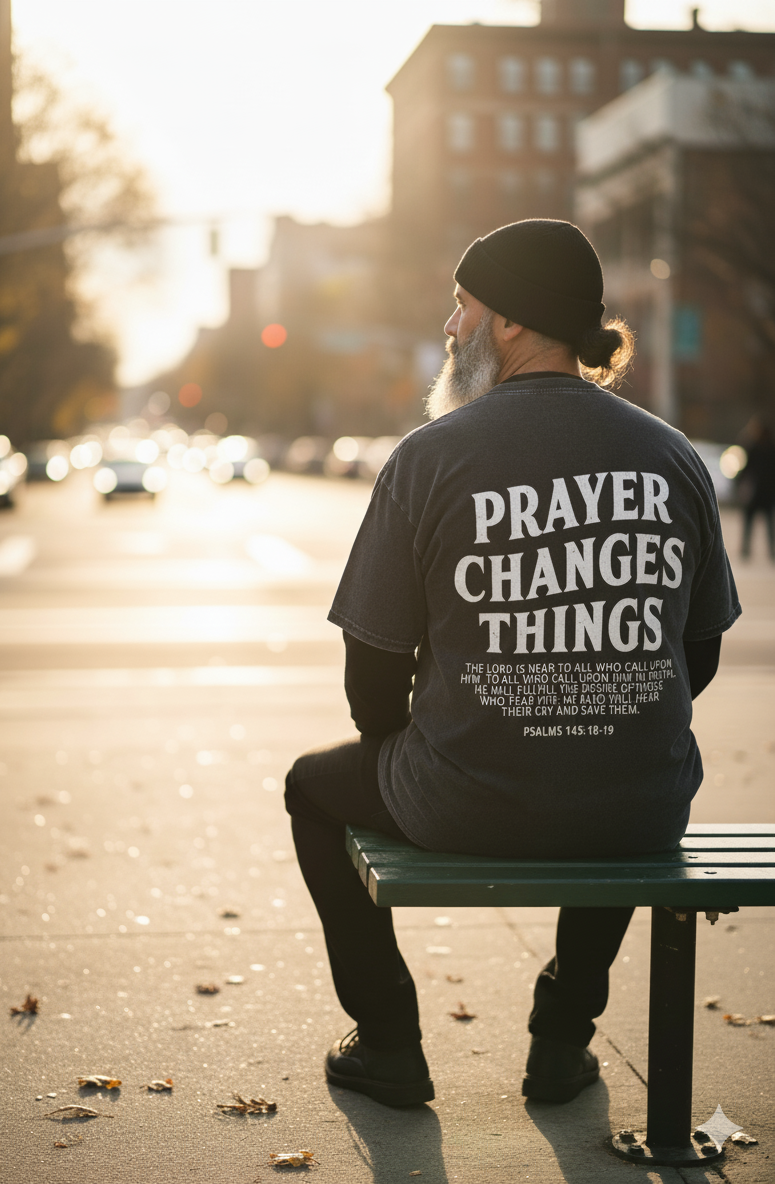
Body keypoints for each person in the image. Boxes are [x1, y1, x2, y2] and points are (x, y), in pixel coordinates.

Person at [284, 218, 741, 1109]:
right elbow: (702, 652)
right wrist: (602, 708)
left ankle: (389, 1043)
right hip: (640, 806)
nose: (451, 328)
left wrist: (421, 747)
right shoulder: (672, 456)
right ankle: (563, 1042)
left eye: (463, 307)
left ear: (511, 323)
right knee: (619, 768)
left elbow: (370, 670)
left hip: (464, 799)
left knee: (311, 788)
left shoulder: (428, 458)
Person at [738, 417, 775, 561]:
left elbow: (745, 469)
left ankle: (747, 549)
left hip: (759, 492)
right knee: (764, 522)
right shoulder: (768, 447)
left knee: (752, 522)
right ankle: (763, 550)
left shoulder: (755, 447)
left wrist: (739, 483)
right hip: (764, 492)